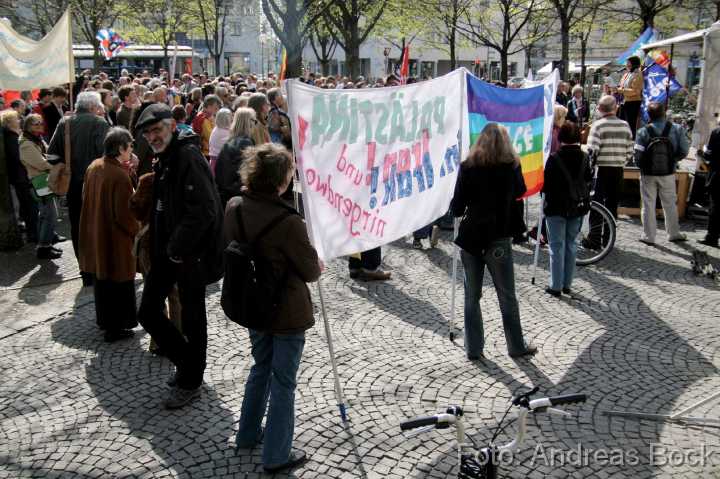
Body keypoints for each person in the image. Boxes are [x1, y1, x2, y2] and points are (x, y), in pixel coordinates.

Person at [226, 143, 321, 473]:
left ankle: (247, 433)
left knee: (260, 367)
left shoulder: (235, 206)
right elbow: (310, 270)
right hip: (286, 310)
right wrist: (316, 260)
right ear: (281, 180)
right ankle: (277, 454)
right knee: (283, 381)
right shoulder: (287, 221)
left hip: (253, 302)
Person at [134, 104, 224, 410]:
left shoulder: (187, 156)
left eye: (157, 129)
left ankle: (190, 379)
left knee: (194, 318)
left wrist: (175, 247)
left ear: (172, 125)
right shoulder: (167, 157)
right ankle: (188, 365)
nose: (152, 137)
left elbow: (205, 210)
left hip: (189, 255)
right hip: (167, 253)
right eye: (147, 133)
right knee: (147, 312)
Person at [450, 123, 536, 359]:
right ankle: (516, 346)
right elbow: (521, 190)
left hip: (471, 238)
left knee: (471, 296)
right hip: (498, 236)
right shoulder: (510, 166)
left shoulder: (467, 167)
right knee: (506, 294)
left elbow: (456, 208)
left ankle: (474, 349)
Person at [79, 128, 140, 342]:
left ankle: (106, 323)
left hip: (98, 233)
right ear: (120, 148)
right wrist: (137, 231)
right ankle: (117, 327)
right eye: (130, 146)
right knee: (118, 283)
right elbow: (125, 216)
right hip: (115, 240)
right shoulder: (118, 175)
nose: (131, 150)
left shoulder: (94, 166)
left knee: (103, 283)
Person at [47, 91, 110, 286]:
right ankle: (100, 268)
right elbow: (108, 155)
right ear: (93, 107)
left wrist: (66, 166)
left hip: (73, 185)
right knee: (99, 225)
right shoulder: (100, 124)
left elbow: (51, 155)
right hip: (97, 184)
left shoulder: (64, 123)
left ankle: (85, 271)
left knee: (78, 227)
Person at [542, 122, 592, 297]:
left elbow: (546, 184)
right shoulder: (585, 157)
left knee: (556, 246)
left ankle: (555, 285)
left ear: (561, 137)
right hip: (576, 206)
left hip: (556, 207)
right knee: (571, 245)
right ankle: (567, 284)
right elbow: (588, 179)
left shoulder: (554, 158)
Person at [635, 101, 689, 245]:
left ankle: (649, 236)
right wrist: (672, 161)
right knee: (670, 203)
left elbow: (638, 156)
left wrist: (643, 167)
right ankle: (674, 233)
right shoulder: (677, 129)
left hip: (648, 174)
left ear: (649, 115)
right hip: (668, 172)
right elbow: (684, 150)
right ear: (664, 113)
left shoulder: (643, 131)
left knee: (648, 204)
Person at [584, 95, 633, 248]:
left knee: (597, 204)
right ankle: (608, 239)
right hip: (618, 169)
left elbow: (592, 151)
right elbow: (630, 151)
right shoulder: (625, 125)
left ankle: (594, 239)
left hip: (601, 170)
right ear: (615, 108)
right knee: (612, 205)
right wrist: (621, 162)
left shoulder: (598, 125)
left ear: (599, 109)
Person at [19, 113, 65, 259]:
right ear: (28, 126)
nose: (40, 126)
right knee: (48, 214)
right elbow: (40, 163)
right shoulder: (26, 143)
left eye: (40, 123)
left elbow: (48, 155)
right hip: (38, 182)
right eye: (35, 124)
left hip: (44, 179)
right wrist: (58, 169)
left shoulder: (36, 139)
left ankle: (46, 243)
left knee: (46, 214)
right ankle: (44, 248)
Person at [215, 107, 255, 208]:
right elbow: (245, 173)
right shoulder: (245, 142)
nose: (256, 124)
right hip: (235, 195)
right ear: (249, 122)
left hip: (225, 192)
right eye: (255, 121)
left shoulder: (232, 140)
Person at [699, 122, 720, 247]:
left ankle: (712, 237)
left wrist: (704, 153)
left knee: (715, 208)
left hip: (717, 176)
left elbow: (709, 154)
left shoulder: (717, 132)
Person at [618, 56, 644, 138]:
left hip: (633, 103)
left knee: (630, 124)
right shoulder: (626, 74)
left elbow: (635, 91)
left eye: (628, 63)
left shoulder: (638, 75)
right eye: (627, 63)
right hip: (623, 102)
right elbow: (620, 85)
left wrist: (621, 90)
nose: (627, 65)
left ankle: (629, 142)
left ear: (634, 64)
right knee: (621, 123)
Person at [191, 94, 221, 158]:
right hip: (206, 153)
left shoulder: (204, 115)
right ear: (209, 107)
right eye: (215, 108)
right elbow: (211, 137)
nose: (217, 110)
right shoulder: (204, 119)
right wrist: (213, 122)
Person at [208, 107, 232, 172]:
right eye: (231, 117)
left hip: (214, 162)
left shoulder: (217, 129)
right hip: (220, 164)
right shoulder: (224, 132)